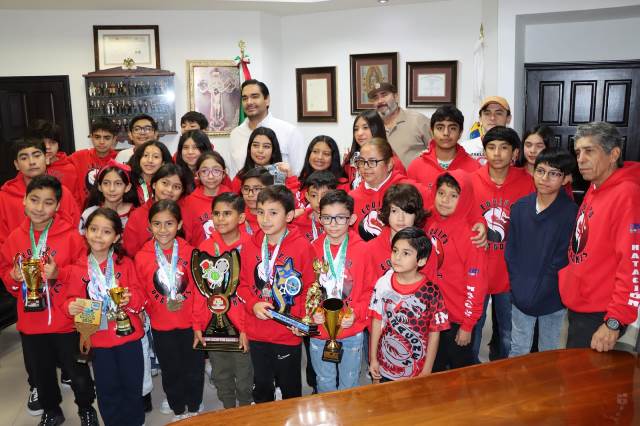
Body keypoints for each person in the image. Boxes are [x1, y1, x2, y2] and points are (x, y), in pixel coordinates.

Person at [0, 175, 98, 426]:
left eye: (48, 202)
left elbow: (85, 273)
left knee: (77, 372)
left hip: (67, 321)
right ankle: (51, 410)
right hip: (31, 323)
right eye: (34, 200)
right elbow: (7, 275)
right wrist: (13, 277)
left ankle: (86, 408)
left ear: (58, 206)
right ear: (24, 200)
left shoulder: (71, 237)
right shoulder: (14, 238)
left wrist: (59, 273)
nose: (39, 208)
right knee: (41, 374)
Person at [559, 122, 640, 351]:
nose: (581, 159)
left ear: (613, 154)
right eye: (578, 152)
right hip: (581, 302)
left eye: (589, 151)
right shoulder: (595, 186)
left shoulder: (626, 194)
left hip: (600, 312)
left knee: (583, 372)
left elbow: (632, 262)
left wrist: (615, 320)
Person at [63, 208, 145, 426]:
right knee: (107, 388)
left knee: (132, 384)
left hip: (127, 336)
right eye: (94, 229)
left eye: (106, 231)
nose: (98, 236)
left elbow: (140, 295)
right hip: (98, 339)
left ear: (116, 237)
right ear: (85, 231)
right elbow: (69, 300)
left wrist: (130, 298)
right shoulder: (77, 268)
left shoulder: (125, 263)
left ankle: (136, 422)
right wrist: (70, 306)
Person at [235, 185, 315, 403]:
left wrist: (301, 320)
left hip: (287, 333)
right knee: (261, 385)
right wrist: (253, 304)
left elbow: (311, 288)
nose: (265, 219)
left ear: (289, 216)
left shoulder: (302, 247)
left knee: (290, 387)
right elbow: (242, 286)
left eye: (273, 213)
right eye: (260, 212)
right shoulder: (250, 245)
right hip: (257, 331)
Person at [134, 200, 209, 422]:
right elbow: (140, 290)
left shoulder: (192, 252)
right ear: (149, 226)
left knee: (194, 367)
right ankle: (177, 408)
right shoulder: (142, 256)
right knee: (170, 369)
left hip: (190, 324)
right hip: (161, 325)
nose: (163, 230)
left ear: (180, 224)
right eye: (157, 224)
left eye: (169, 223)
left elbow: (199, 291)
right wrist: (144, 309)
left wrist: (198, 323)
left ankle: (194, 404)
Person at [470, 126, 535, 361]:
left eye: (504, 148)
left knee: (509, 332)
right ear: (484, 151)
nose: (497, 153)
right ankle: (469, 371)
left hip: (510, 272)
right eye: (491, 147)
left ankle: (506, 374)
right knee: (473, 328)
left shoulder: (528, 183)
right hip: (476, 270)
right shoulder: (470, 181)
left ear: (515, 153)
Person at [507, 148, 577, 356]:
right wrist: (518, 286)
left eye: (554, 173)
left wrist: (537, 291)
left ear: (565, 179)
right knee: (518, 347)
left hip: (553, 297)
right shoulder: (520, 207)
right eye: (540, 171)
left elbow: (562, 260)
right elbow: (511, 252)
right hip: (521, 293)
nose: (545, 178)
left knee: (549, 350)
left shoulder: (571, 213)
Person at [309, 190, 373, 392]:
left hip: (351, 328)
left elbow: (370, 291)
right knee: (324, 380)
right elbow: (307, 290)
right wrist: (313, 313)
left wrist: (356, 313)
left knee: (350, 381)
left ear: (352, 219)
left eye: (340, 218)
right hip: (320, 330)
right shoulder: (313, 248)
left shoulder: (363, 250)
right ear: (319, 218)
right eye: (327, 218)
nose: (333, 224)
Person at [368, 227, 449, 381]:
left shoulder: (431, 292)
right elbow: (377, 321)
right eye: (395, 250)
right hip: (384, 364)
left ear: (421, 260)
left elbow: (434, 333)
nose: (397, 257)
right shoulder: (383, 283)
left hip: (416, 370)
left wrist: (427, 370)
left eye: (406, 253)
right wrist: (373, 359)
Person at [197, 192, 253, 408]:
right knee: (221, 373)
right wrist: (198, 324)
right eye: (216, 214)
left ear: (241, 217)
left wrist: (246, 328)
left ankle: (245, 408)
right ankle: (228, 409)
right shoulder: (205, 248)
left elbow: (253, 291)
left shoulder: (252, 245)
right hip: (215, 325)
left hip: (244, 325)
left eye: (227, 213)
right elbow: (199, 291)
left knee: (245, 374)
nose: (220, 219)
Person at [428, 171, 488, 371]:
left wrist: (467, 325)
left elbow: (476, 285)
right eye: (441, 193)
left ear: (464, 199)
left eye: (453, 195)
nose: (445, 200)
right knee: (433, 369)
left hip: (457, 320)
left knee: (459, 374)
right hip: (432, 315)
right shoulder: (429, 220)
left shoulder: (471, 237)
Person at [0, 138, 80, 247]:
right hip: (18, 256)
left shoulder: (62, 192)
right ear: (16, 164)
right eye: (24, 158)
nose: (32, 162)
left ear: (47, 159)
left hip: (60, 255)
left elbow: (75, 232)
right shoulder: (4, 197)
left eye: (37, 155)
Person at [349, 138, 427, 242]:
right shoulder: (352, 198)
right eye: (362, 161)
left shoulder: (409, 189)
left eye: (372, 161)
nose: (365, 167)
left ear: (390, 164)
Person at [229, 79, 306, 177]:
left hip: (282, 186)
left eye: (254, 96)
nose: (249, 102)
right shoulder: (235, 134)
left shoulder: (289, 131)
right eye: (245, 98)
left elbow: (298, 173)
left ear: (267, 100)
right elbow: (234, 173)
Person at [122, 163, 192, 257]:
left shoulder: (187, 214)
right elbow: (130, 254)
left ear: (182, 191)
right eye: (165, 183)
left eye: (176, 187)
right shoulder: (137, 216)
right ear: (154, 184)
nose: (169, 190)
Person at [407, 105, 479, 193]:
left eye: (452, 128)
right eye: (440, 128)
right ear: (432, 132)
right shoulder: (416, 167)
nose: (446, 133)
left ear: (460, 133)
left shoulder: (475, 168)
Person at [368, 82, 431, 168]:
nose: (380, 101)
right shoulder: (372, 127)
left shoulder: (418, 120)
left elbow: (438, 151)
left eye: (384, 95)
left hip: (416, 176)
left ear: (396, 97)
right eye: (376, 98)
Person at [343, 110, 406, 190]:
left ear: (377, 129)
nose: (359, 133)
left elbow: (402, 191)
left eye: (365, 127)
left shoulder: (392, 161)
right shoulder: (351, 158)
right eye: (356, 129)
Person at [26, 119, 81, 205]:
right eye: (43, 143)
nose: (48, 147)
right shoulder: (29, 166)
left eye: (52, 142)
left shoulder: (69, 169)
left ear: (58, 145)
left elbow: (75, 201)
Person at [181, 151, 231, 242]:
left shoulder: (232, 197)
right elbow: (187, 238)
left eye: (216, 171)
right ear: (197, 175)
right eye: (204, 171)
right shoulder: (190, 202)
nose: (210, 176)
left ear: (224, 173)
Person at [69, 118, 119, 207]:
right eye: (97, 137)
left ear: (114, 139)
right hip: (84, 212)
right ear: (91, 137)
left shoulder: (119, 159)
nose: (101, 142)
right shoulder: (78, 157)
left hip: (112, 211)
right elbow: (59, 164)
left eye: (107, 138)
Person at [79, 161, 139, 232]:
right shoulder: (89, 213)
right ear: (99, 186)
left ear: (127, 187)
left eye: (118, 183)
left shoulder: (137, 214)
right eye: (106, 183)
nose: (111, 189)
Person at [231, 127, 295, 193]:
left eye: (266, 146)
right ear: (249, 149)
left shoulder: (282, 174)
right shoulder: (241, 176)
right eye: (255, 145)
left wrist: (290, 175)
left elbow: (291, 198)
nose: (260, 150)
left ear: (273, 150)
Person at [293, 135, 349, 209]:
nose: (319, 157)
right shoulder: (299, 182)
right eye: (315, 152)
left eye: (326, 154)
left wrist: (304, 211)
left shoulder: (343, 185)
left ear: (333, 157)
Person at [459, 96, 511, 165]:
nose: (492, 118)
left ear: (508, 118)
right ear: (480, 118)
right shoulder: (465, 148)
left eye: (498, 113)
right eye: (487, 113)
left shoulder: (517, 148)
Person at [293, 171, 338, 243]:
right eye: (314, 195)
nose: (319, 200)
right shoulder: (296, 223)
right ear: (307, 196)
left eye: (325, 195)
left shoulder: (342, 221)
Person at [128, 140, 173, 205]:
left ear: (163, 163)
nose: (150, 160)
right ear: (139, 159)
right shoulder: (128, 180)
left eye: (156, 157)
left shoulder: (167, 184)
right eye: (145, 155)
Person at [239, 167, 274, 236]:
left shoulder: (277, 217)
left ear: (270, 189)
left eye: (257, 189)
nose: (250, 194)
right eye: (246, 189)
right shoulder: (237, 215)